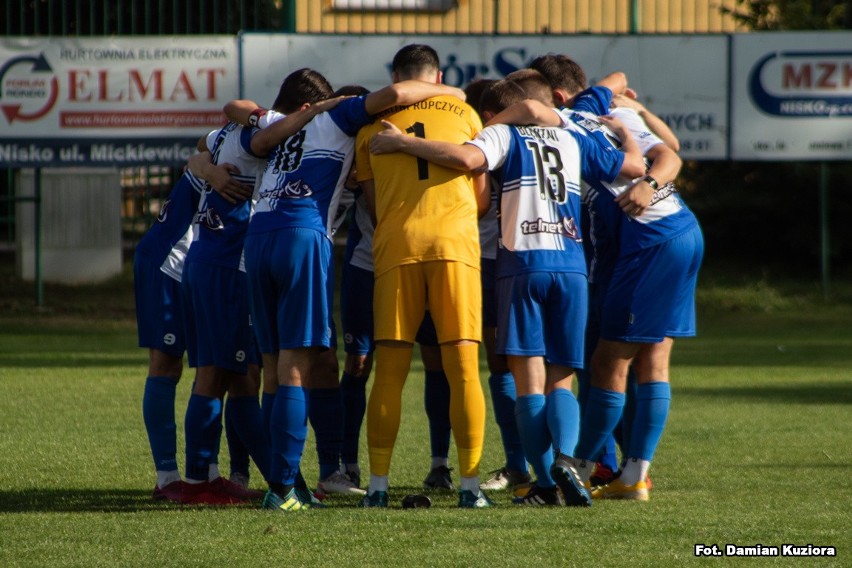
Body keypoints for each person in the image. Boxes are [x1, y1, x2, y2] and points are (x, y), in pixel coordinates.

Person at [369, 71, 644, 506]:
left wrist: (405, 144)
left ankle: (546, 484)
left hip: (522, 266)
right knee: (563, 380)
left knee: (529, 384)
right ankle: (569, 462)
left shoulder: (503, 136)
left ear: (506, 111)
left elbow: (463, 159)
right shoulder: (573, 138)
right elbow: (634, 166)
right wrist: (626, 132)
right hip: (572, 268)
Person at [236, 67, 469, 512]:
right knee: (295, 366)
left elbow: (238, 112)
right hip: (302, 236)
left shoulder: (281, 122)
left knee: (272, 365)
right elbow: (398, 91)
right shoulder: (342, 115)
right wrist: (450, 91)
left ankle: (285, 483)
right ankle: (284, 488)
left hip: (259, 235)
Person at [354, 44, 492, 508]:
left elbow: (372, 207)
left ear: (397, 76)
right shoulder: (466, 114)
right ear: (438, 77)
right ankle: (471, 488)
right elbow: (482, 200)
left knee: (390, 371)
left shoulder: (370, 128)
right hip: (455, 246)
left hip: (397, 247)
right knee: (463, 370)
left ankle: (376, 487)